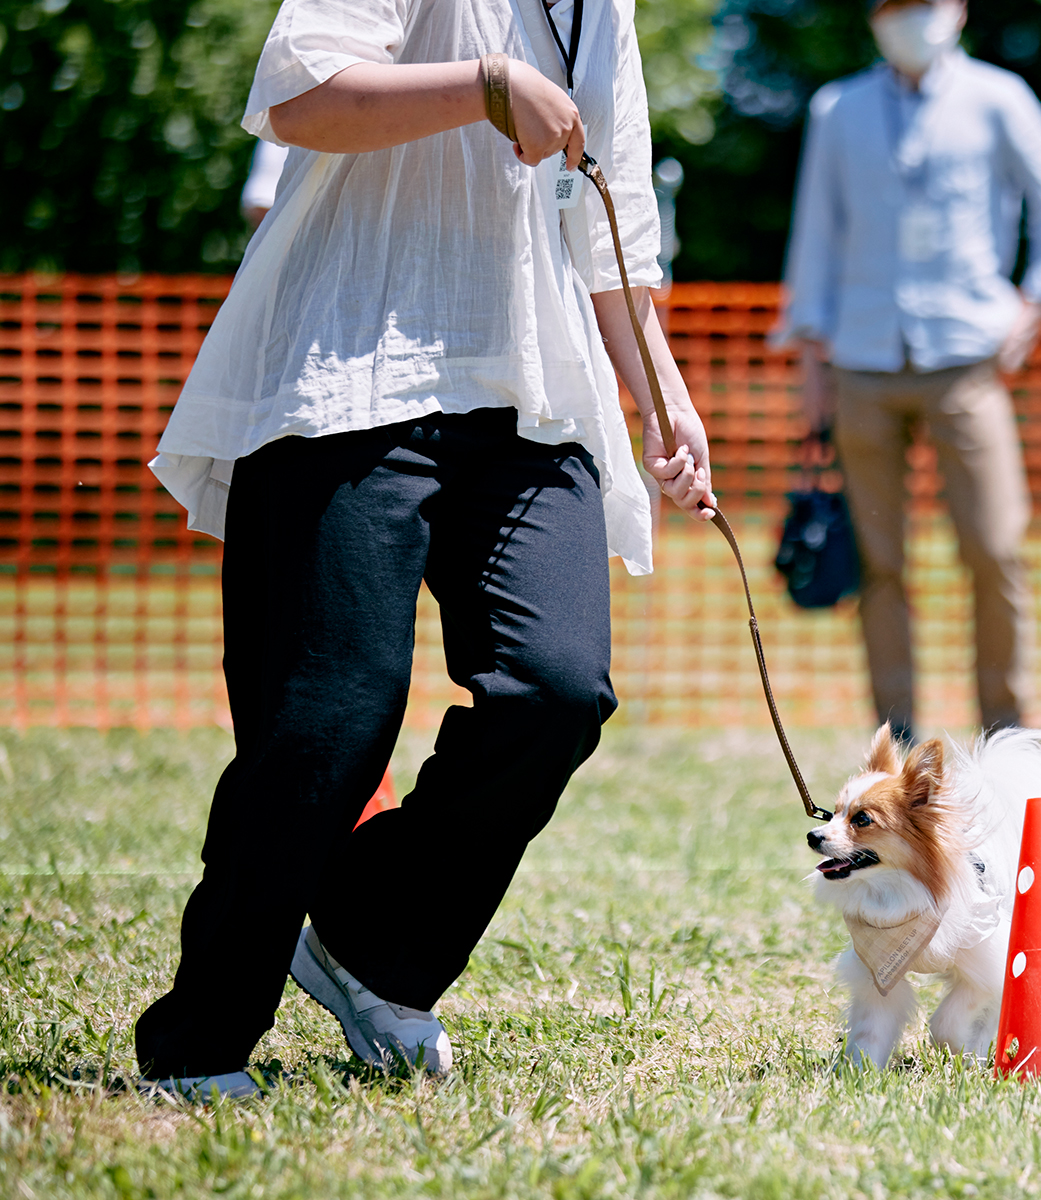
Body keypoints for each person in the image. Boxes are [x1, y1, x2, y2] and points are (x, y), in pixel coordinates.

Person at [133, 0, 716, 1098]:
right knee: (330, 721)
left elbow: (614, 220)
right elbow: (299, 97)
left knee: (556, 691)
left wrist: (662, 397)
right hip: (354, 360)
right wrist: (487, 84)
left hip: (531, 388)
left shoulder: (608, 8)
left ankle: (368, 945)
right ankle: (199, 1043)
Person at [775, 0, 1041, 743]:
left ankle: (1007, 736)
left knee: (996, 548)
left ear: (955, 10)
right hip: (860, 361)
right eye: (895, 4)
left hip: (966, 362)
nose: (909, 16)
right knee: (880, 564)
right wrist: (812, 360)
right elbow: (816, 237)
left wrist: (1036, 307)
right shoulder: (837, 109)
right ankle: (899, 742)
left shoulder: (999, 98)